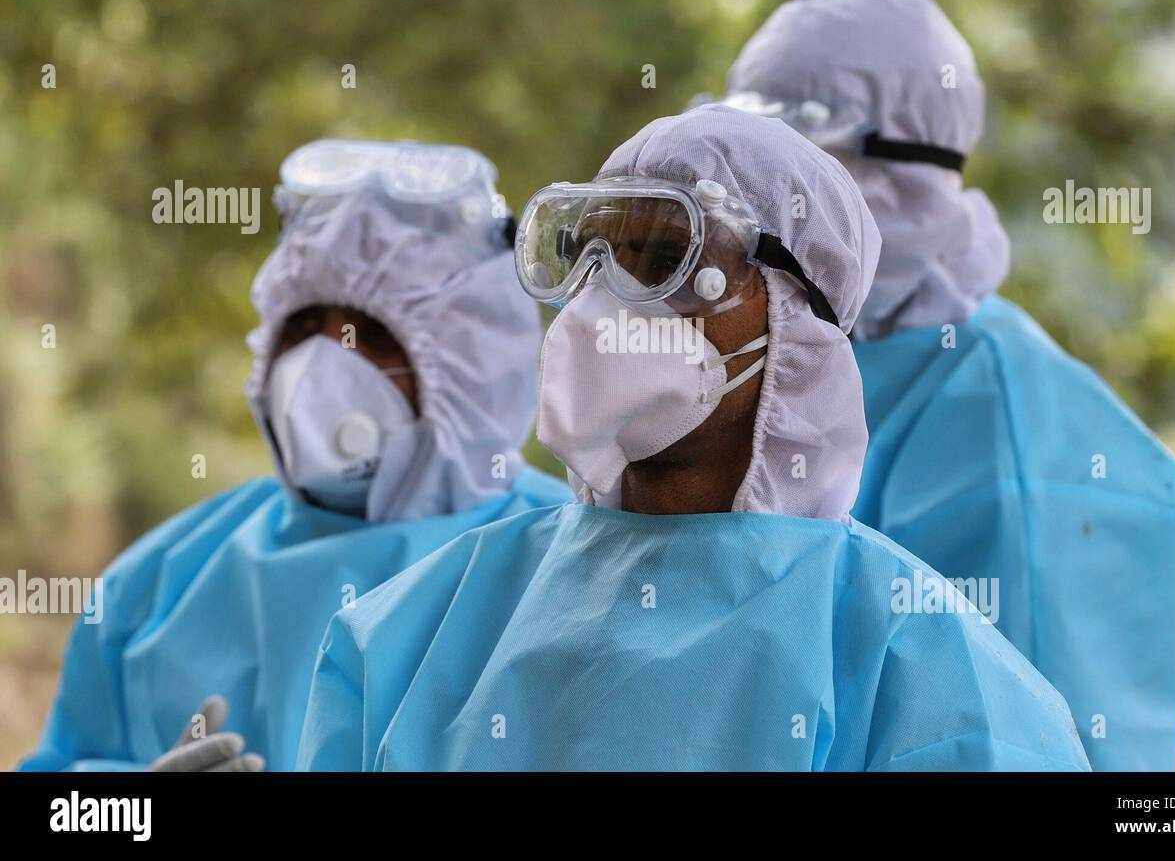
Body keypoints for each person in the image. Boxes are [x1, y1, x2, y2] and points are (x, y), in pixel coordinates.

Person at [296, 106, 1091, 771]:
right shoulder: (407, 631)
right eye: (590, 255)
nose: (605, 299)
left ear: (795, 311)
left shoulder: (923, 672)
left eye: (665, 259)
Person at [719, 0, 1175, 770]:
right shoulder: (809, 359)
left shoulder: (1003, 420)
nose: (763, 207)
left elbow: (1023, 739)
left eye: (800, 167)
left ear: (896, 172)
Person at [21, 139, 570, 772]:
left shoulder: (564, 573)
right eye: (304, 327)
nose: (323, 366)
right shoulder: (158, 583)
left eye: (371, 336)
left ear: (475, 369)